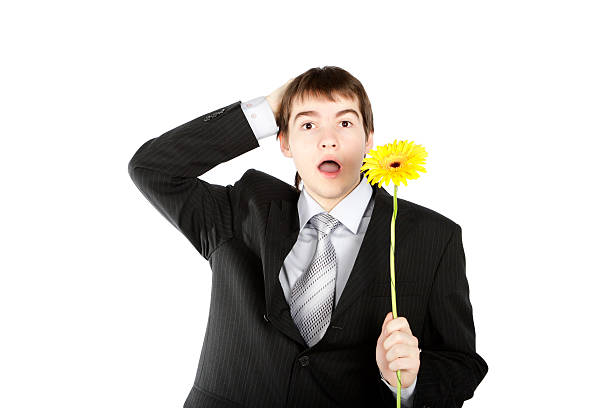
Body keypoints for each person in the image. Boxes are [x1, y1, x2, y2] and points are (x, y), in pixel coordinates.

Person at [128, 66, 487, 408]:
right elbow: (152, 169)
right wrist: (268, 109)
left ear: (369, 139)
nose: (328, 140)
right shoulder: (241, 211)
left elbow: (461, 363)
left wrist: (407, 382)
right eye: (308, 124)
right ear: (284, 142)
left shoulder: (433, 236)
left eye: (345, 122)